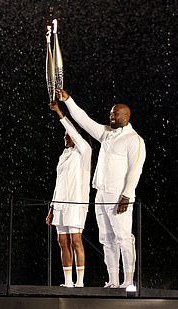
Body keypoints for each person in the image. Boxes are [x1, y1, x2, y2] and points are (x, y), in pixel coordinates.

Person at [57, 88, 146, 289]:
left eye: (115, 114)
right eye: (111, 113)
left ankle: (129, 281)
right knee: (106, 238)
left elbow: (135, 170)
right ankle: (114, 279)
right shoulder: (106, 134)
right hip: (101, 194)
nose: (111, 116)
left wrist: (126, 195)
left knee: (124, 237)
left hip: (119, 196)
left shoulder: (134, 140)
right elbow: (84, 120)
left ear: (127, 116)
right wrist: (68, 100)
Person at [46, 101, 92, 287]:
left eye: (68, 134)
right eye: (65, 135)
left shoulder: (84, 153)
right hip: (61, 204)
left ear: (76, 136)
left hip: (77, 203)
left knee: (76, 240)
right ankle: (68, 281)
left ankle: (80, 282)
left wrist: (59, 111)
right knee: (62, 241)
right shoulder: (63, 156)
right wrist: (51, 208)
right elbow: (58, 184)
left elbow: (72, 130)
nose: (65, 137)